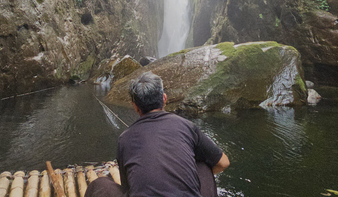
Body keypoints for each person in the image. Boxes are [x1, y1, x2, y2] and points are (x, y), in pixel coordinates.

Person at [86, 71, 230, 197]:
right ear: (164, 98)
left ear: (135, 106)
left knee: (100, 185)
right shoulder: (187, 126)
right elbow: (224, 162)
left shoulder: (124, 139)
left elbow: (128, 187)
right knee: (204, 164)